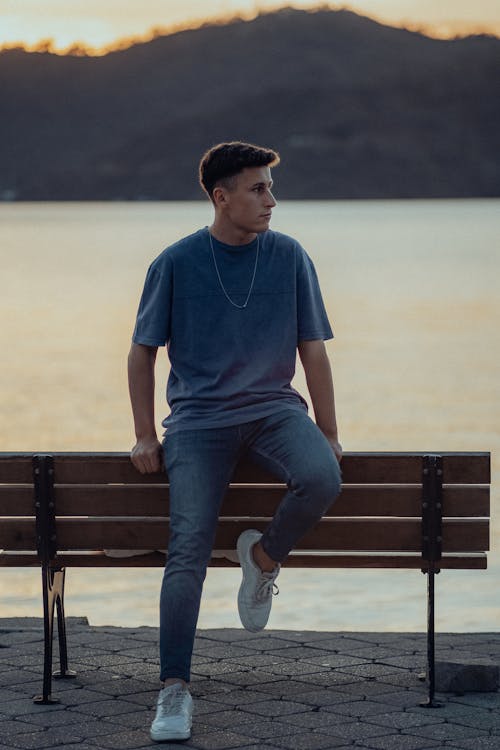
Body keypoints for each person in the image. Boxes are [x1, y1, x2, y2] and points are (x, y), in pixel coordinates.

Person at [128, 141, 342, 742]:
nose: (271, 200)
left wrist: (328, 431)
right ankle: (174, 690)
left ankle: (263, 558)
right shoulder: (175, 262)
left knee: (323, 475)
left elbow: (313, 350)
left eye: (271, 188)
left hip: (275, 412)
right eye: (257, 189)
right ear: (221, 197)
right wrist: (146, 433)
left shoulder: (289, 256)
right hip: (198, 423)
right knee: (187, 549)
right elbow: (142, 351)